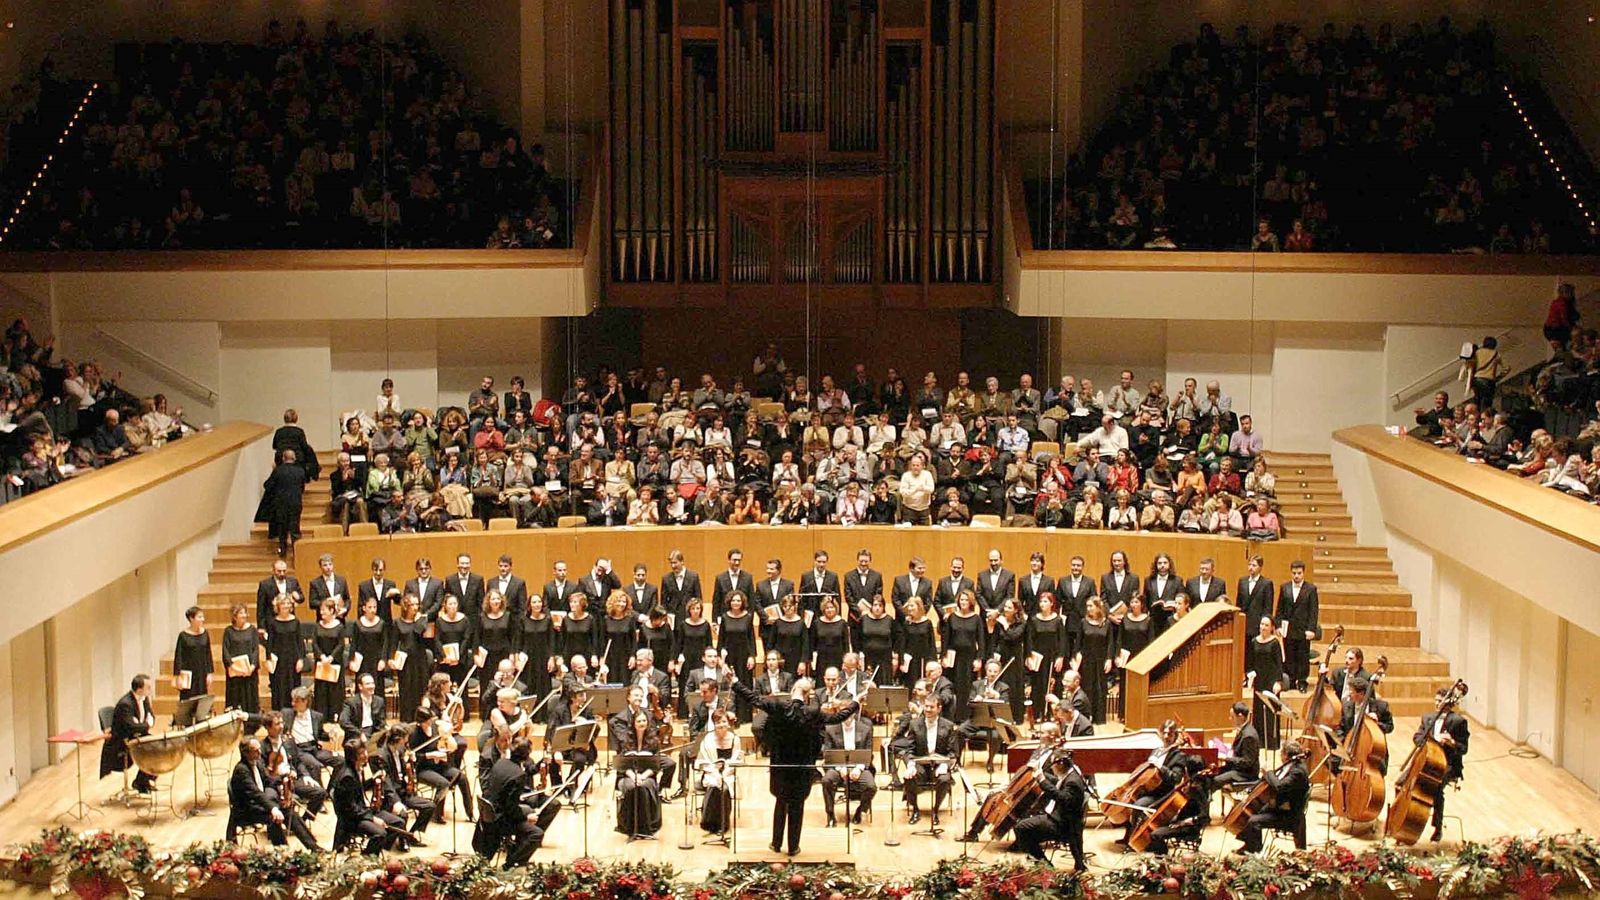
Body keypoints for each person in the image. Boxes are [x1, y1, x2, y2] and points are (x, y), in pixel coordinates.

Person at [731, 677, 860, 856]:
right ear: (808, 696)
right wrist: (855, 704)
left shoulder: (777, 706)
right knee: (797, 806)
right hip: (802, 768)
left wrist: (735, 682)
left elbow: (753, 698)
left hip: (780, 766)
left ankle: (776, 843)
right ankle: (793, 847)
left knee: (780, 801)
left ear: (792, 691)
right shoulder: (813, 713)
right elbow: (838, 717)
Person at [226, 738, 320, 849]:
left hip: (259, 805)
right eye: (255, 751)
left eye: (259, 749)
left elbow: (268, 780)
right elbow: (256, 794)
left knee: (290, 812)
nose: (260, 752)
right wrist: (273, 808)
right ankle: (282, 850)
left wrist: (284, 777)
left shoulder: (257, 763)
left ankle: (314, 848)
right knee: (274, 818)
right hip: (246, 810)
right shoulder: (241, 770)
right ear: (246, 753)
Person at [1009, 752, 1088, 869]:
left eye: (1052, 764)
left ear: (1060, 764)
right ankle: (1040, 861)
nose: (1051, 767)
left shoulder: (1073, 782)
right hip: (1059, 817)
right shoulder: (1071, 773)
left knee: (1021, 828)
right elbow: (1058, 782)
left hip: (1062, 825)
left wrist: (1042, 780)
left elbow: (1062, 798)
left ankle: (1045, 866)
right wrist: (1041, 775)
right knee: (1027, 829)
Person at [1414, 686, 1471, 842]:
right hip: (1426, 760)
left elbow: (1463, 749)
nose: (1437, 704)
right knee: (1402, 781)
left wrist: (1452, 742)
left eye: (1440, 701)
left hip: (1448, 764)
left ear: (1448, 702)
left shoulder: (1458, 721)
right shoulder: (1427, 717)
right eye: (1436, 700)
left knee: (1436, 788)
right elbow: (1417, 737)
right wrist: (1425, 740)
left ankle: (1437, 827)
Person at [1236, 739, 1311, 853]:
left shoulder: (1298, 771)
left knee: (1253, 821)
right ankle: (1252, 845)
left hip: (1289, 814)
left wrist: (1268, 772)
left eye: (1281, 752)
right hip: (1281, 806)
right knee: (1254, 811)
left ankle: (1252, 849)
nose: (1280, 755)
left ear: (1286, 755)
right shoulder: (1293, 765)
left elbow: (1279, 786)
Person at [896, 694, 957, 826]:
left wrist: (945, 766)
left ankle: (935, 810)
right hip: (920, 764)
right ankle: (915, 810)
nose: (928, 710)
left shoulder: (948, 725)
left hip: (939, 765)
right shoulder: (914, 724)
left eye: (931, 707)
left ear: (939, 708)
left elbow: (952, 752)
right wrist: (910, 765)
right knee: (909, 777)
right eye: (926, 706)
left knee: (945, 779)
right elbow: (909, 750)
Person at [332, 738, 400, 855]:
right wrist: (373, 819)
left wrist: (374, 780)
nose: (366, 755)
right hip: (352, 819)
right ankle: (367, 857)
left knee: (398, 822)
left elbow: (359, 789)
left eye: (365, 751)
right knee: (380, 833)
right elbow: (350, 808)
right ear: (353, 757)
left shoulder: (357, 768)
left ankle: (377, 850)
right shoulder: (347, 777)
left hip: (364, 810)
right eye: (361, 753)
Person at [820, 707, 877, 827]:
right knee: (826, 781)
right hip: (838, 767)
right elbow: (828, 754)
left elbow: (868, 753)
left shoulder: (865, 729)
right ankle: (830, 815)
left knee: (871, 787)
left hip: (859, 766)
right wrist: (841, 768)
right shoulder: (830, 729)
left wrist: (858, 768)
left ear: (854, 714)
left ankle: (860, 810)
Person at [100, 674, 156, 793]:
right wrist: (146, 725)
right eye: (148, 688)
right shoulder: (125, 704)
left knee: (158, 746)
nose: (150, 690)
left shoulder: (144, 699)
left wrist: (144, 724)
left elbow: (151, 717)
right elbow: (131, 727)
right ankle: (142, 782)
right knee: (152, 749)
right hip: (121, 741)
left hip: (136, 735)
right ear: (139, 690)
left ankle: (142, 781)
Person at [613, 710, 665, 837]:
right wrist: (634, 776)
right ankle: (629, 826)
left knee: (643, 787)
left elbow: (656, 765)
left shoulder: (654, 741)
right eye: (639, 721)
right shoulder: (625, 740)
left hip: (647, 775)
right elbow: (621, 764)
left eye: (644, 720)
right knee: (632, 786)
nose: (642, 723)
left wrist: (642, 776)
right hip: (628, 774)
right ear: (633, 723)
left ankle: (645, 827)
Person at [696, 710, 743, 834]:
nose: (721, 725)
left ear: (728, 723)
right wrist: (716, 774)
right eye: (718, 722)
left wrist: (724, 774)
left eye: (724, 721)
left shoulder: (735, 739)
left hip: (729, 773)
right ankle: (710, 822)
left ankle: (723, 824)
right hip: (711, 773)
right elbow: (702, 761)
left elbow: (737, 760)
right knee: (715, 786)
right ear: (714, 724)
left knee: (725, 788)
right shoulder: (708, 739)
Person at [1276, 561, 1321, 691]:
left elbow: (1313, 611)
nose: (1296, 576)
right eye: (1294, 573)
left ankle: (1301, 681)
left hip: (1303, 629)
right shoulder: (1285, 588)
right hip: (1288, 628)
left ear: (1303, 573)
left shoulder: (1311, 589)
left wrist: (1311, 629)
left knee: (1302, 655)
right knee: (1289, 655)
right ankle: (1290, 679)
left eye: (1299, 573)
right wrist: (1278, 625)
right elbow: (1280, 609)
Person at [256, 448, 308, 555]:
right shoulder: (300, 471)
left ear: (283, 458)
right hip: (295, 502)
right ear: (294, 458)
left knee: (282, 527)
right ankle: (297, 552)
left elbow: (267, 485)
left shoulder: (278, 471)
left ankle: (283, 550)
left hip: (281, 503)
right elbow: (302, 488)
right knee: (295, 527)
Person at [1214, 701, 1261, 789]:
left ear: (1240, 716)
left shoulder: (1249, 736)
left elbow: (1247, 761)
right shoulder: (1244, 729)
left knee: (1216, 780)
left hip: (1246, 773)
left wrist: (1225, 758)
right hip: (1238, 768)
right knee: (1212, 773)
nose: (1230, 719)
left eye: (1232, 716)